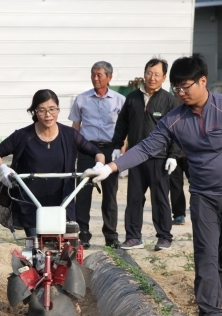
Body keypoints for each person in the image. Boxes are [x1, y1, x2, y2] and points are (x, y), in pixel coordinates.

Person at [83, 54, 222, 316]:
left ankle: (212, 304)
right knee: (205, 255)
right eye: (176, 87)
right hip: (203, 196)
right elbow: (145, 148)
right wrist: (112, 167)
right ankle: (210, 313)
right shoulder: (175, 119)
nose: (180, 93)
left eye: (185, 86)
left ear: (203, 81)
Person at [0, 89, 104, 236]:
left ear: (58, 109)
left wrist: (99, 166)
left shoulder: (70, 135)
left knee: (64, 248)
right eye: (42, 110)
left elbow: (98, 153)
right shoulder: (23, 136)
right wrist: (3, 169)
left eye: (52, 109)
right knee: (37, 248)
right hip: (31, 203)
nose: (48, 115)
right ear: (34, 111)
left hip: (62, 202)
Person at [111, 58, 180, 251]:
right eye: (149, 73)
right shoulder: (132, 98)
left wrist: (173, 155)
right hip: (135, 157)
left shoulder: (169, 100)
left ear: (164, 77)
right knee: (134, 198)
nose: (152, 77)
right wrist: (117, 146)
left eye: (157, 74)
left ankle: (164, 237)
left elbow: (177, 130)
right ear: (144, 73)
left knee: (160, 198)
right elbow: (122, 123)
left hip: (160, 158)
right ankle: (133, 237)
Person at [69, 61, 126, 249]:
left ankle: (111, 235)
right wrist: (74, 152)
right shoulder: (82, 99)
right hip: (88, 150)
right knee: (83, 193)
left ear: (109, 77)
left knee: (110, 195)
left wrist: (123, 152)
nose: (95, 78)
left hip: (111, 150)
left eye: (99, 75)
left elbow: (125, 129)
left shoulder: (119, 100)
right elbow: (75, 128)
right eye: (93, 74)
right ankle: (83, 234)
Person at [169, 151, 190, 225]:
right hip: (191, 152)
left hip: (175, 154)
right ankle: (201, 213)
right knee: (196, 185)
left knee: (175, 185)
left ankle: (179, 216)